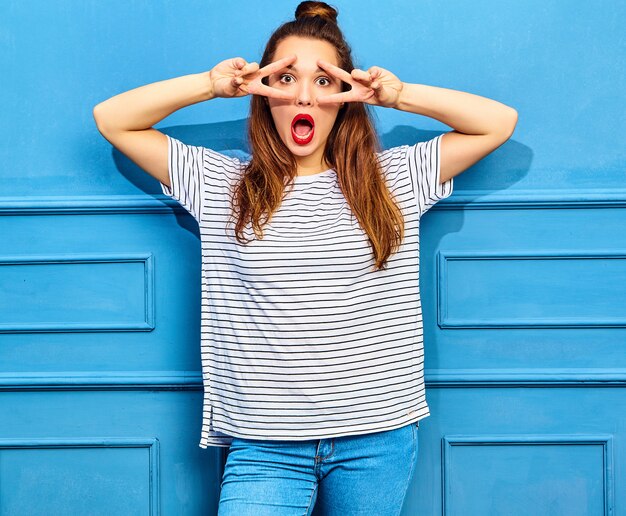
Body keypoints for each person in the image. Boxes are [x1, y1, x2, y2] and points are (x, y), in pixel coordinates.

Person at [93, 1, 517, 514]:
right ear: (263, 91)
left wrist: (398, 96)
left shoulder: (396, 179)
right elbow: (113, 120)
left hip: (377, 438)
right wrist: (213, 84)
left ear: (344, 95)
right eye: (286, 78)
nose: (302, 95)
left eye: (322, 81)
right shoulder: (221, 184)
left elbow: (498, 122)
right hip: (264, 445)